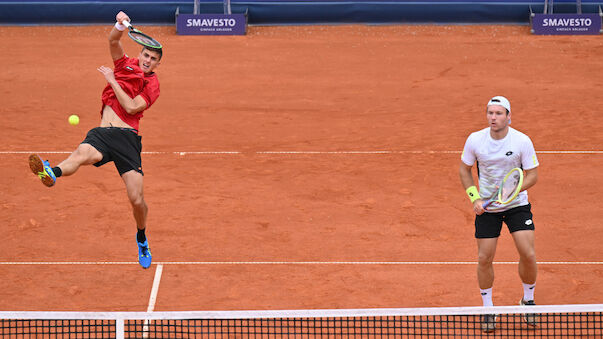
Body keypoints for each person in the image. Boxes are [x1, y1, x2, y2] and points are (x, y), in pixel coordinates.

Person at [28, 11, 162, 269]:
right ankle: (51, 171)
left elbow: (133, 108)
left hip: (127, 139)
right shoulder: (126, 65)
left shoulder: (152, 84)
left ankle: (142, 237)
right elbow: (113, 42)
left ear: (157, 64)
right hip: (102, 133)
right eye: (146, 55)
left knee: (136, 200)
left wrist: (112, 82)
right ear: (141, 54)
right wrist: (119, 25)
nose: (148, 61)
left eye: (153, 59)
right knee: (81, 154)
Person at [459, 96, 539, 332]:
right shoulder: (475, 140)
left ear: (508, 116)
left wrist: (514, 190)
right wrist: (475, 198)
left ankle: (528, 300)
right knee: (485, 258)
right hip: (487, 207)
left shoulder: (522, 141)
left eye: (498, 113)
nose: (493, 117)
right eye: (490, 113)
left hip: (516, 204)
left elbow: (532, 175)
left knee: (528, 253)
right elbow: (464, 170)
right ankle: (488, 308)